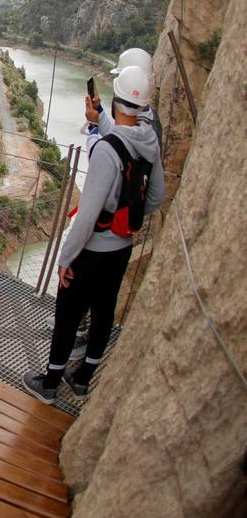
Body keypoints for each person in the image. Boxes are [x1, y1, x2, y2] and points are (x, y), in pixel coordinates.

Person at [25, 64, 165, 403]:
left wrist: (65, 258)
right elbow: (156, 195)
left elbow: (86, 217)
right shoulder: (149, 140)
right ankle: (83, 376)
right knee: (104, 311)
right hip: (122, 247)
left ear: (117, 100)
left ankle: (50, 382)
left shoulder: (104, 151)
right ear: (144, 106)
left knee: (68, 314)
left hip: (92, 251)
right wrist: (125, 217)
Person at [87, 47, 163, 147]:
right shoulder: (145, 115)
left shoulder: (142, 125)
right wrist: (98, 109)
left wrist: (93, 127)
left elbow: (105, 153)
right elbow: (115, 134)